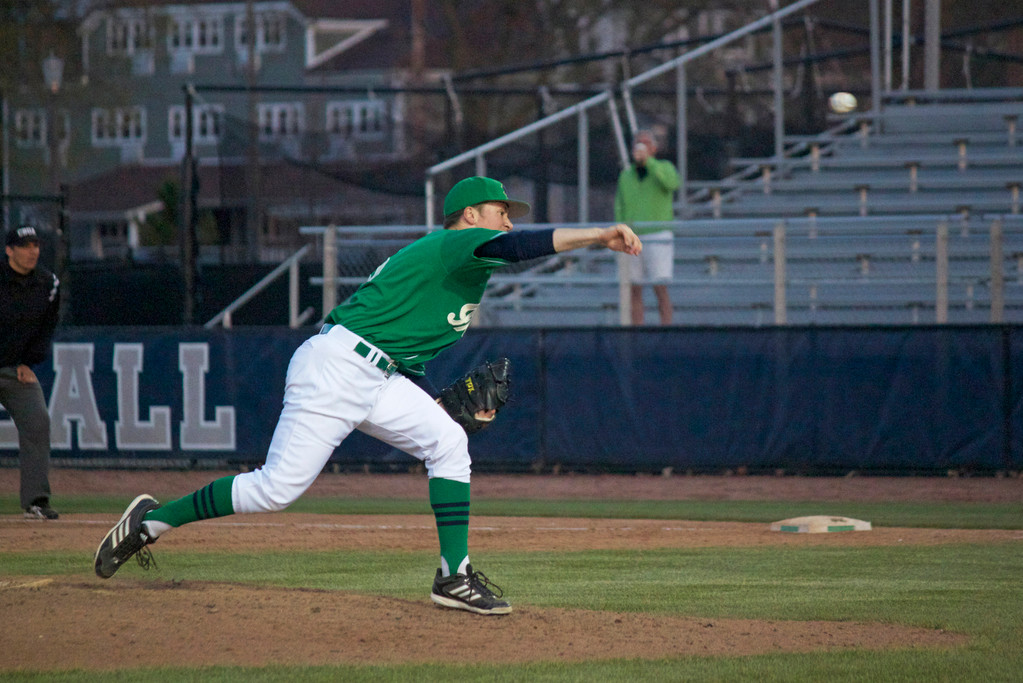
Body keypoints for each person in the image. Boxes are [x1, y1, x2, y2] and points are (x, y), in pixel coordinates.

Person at [94, 176, 642, 615]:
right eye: (501, 208)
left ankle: (454, 577)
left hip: (377, 375)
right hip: (336, 369)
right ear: (472, 215)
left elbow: (405, 352)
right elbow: (522, 245)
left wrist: (432, 403)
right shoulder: (460, 243)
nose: (508, 217)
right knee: (273, 490)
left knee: (449, 442)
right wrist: (597, 235)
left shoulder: (459, 267)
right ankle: (150, 523)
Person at [1, 225, 61, 520]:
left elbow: (45, 328)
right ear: (9, 250)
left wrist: (29, 361)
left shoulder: (48, 283)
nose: (32, 251)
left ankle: (36, 500)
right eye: (25, 246)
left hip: (14, 369)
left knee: (37, 421)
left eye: (36, 245)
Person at [614, 129, 680, 325]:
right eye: (637, 143)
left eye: (645, 143)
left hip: (657, 234)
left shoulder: (664, 167)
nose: (640, 147)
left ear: (654, 148)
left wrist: (649, 162)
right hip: (633, 236)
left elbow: (672, 183)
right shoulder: (626, 175)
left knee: (660, 286)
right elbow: (620, 206)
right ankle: (636, 331)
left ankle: (665, 329)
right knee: (634, 287)